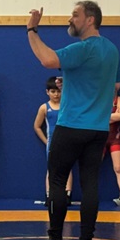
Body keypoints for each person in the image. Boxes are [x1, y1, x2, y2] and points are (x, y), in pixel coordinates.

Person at [27, 0, 120, 240]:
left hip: (71, 125)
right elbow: (113, 86)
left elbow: (47, 59)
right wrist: (70, 82)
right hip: (98, 129)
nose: (70, 19)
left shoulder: (82, 48)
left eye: (75, 15)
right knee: (90, 184)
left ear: (90, 19)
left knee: (57, 180)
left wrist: (32, 30)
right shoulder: (112, 50)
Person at [33, 76, 73, 204]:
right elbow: (37, 126)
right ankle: (49, 194)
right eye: (53, 91)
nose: (56, 94)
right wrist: (46, 142)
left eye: (58, 91)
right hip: (52, 143)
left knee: (67, 167)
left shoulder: (67, 106)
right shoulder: (44, 108)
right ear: (47, 92)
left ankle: (67, 194)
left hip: (67, 142)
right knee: (52, 168)